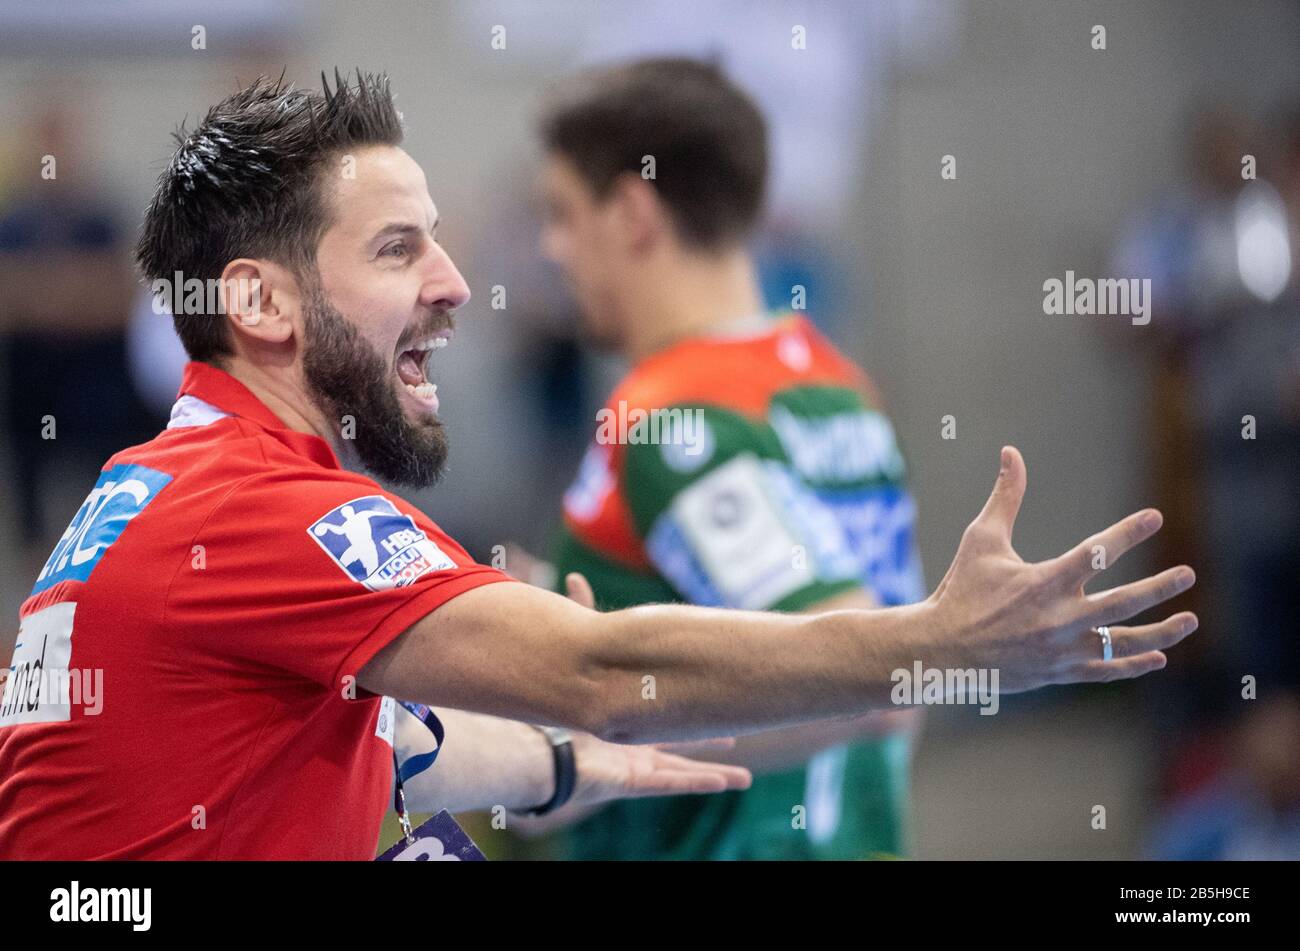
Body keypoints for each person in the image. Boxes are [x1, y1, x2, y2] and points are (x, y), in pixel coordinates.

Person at [0, 71, 1196, 859]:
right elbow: (600, 664)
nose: (463, 282)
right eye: (400, 248)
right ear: (259, 301)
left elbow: (388, 738)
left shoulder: (146, 488)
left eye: (551, 220)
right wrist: (938, 646)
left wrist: (566, 757)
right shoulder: (821, 376)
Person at [514, 57, 925, 860]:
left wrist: (592, 757)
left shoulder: (672, 419)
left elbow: (866, 676)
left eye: (562, 213)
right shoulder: (838, 388)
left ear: (633, 212)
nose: (553, 248)